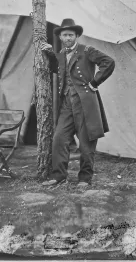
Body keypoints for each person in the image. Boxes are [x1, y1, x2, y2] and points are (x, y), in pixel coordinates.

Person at [40, 18, 115, 187]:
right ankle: (59, 176)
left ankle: (85, 178)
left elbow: (108, 62)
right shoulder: (60, 54)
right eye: (64, 35)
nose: (67, 38)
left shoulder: (86, 50)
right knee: (59, 138)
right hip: (66, 103)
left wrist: (95, 83)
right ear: (60, 37)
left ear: (77, 36)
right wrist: (51, 54)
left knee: (86, 143)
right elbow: (56, 69)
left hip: (85, 103)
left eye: (70, 35)